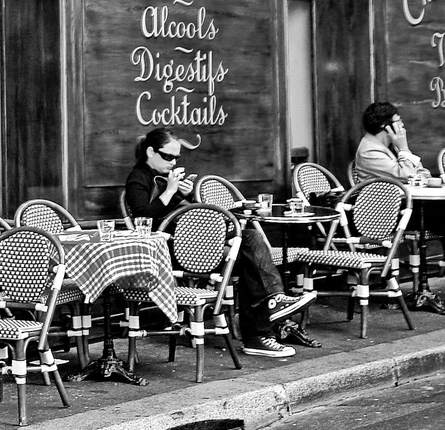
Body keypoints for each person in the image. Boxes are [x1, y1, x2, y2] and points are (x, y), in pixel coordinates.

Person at [123, 128, 312, 358]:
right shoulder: (138, 177)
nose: (173, 163)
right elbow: (145, 217)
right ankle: (262, 326)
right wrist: (171, 191)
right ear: (150, 152)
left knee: (247, 246)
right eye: (168, 157)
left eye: (177, 158)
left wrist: (188, 194)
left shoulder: (166, 177)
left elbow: (182, 211)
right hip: (169, 250)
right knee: (247, 247)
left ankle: (265, 322)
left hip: (194, 242)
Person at [351, 101, 425, 186]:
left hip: (405, 195)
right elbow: (407, 175)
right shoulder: (369, 152)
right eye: (398, 121)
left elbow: (423, 172)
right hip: (381, 198)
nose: (402, 124)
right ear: (383, 124)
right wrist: (404, 148)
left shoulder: (393, 144)